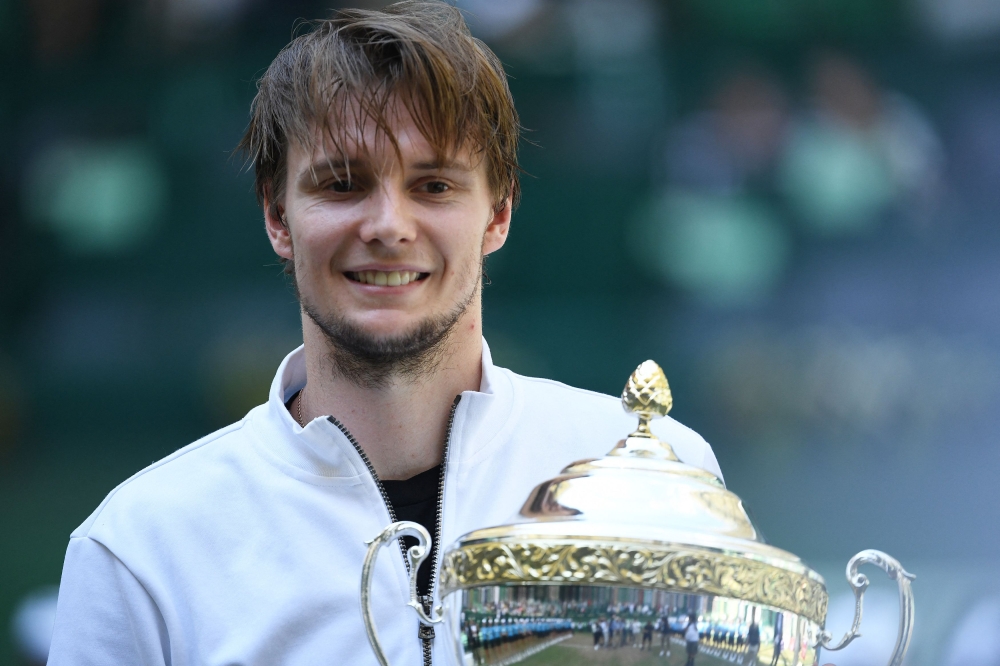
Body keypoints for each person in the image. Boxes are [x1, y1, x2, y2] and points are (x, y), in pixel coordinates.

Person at [44, 2, 724, 664]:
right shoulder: (140, 548)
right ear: (277, 216)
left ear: (499, 214)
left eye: (433, 186)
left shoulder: (657, 480)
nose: (389, 226)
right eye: (343, 184)